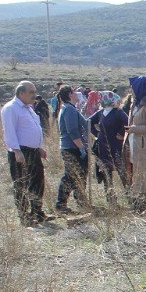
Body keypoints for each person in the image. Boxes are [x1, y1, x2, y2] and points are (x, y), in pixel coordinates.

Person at [0, 81, 50, 225]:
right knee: (21, 183)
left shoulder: (28, 108)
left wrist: (38, 147)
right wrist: (16, 150)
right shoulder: (11, 108)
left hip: (33, 151)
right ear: (21, 93)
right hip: (21, 152)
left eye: (34, 92)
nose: (34, 95)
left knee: (37, 181)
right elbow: (10, 131)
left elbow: (29, 129)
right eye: (31, 92)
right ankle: (24, 216)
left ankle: (37, 212)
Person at [55, 85, 90, 214]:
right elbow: (72, 131)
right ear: (70, 94)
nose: (77, 94)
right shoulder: (69, 109)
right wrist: (81, 147)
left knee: (78, 175)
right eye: (75, 92)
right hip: (71, 147)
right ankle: (61, 204)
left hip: (72, 147)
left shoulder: (70, 108)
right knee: (71, 176)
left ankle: (82, 202)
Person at [126, 76, 146, 213]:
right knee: (137, 172)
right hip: (134, 142)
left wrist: (134, 129)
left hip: (145, 144)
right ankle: (138, 202)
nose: (131, 90)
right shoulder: (135, 103)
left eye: (133, 87)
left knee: (145, 172)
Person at [96, 91, 129, 202]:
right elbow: (88, 122)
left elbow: (127, 123)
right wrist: (97, 133)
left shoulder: (118, 112)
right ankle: (110, 198)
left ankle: (130, 196)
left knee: (121, 171)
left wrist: (122, 133)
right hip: (103, 146)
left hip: (116, 146)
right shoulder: (101, 112)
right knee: (106, 172)